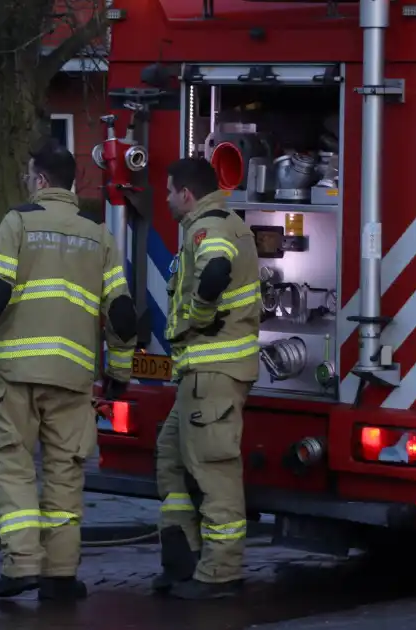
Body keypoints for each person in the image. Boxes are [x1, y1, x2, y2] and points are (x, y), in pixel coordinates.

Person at [0, 139, 138, 601]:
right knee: (65, 472)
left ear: (39, 180)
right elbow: (120, 312)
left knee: (13, 468)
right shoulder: (98, 234)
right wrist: (118, 370)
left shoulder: (18, 222)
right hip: (72, 377)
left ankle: (21, 567)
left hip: (16, 372)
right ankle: (59, 574)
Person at [151, 157, 261, 600]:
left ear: (186, 194)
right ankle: (184, 557)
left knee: (214, 471)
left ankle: (221, 573)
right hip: (202, 374)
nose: (165, 198)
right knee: (171, 457)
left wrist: (197, 315)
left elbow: (215, 271)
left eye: (168, 191)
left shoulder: (208, 227)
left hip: (214, 372)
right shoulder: (215, 223)